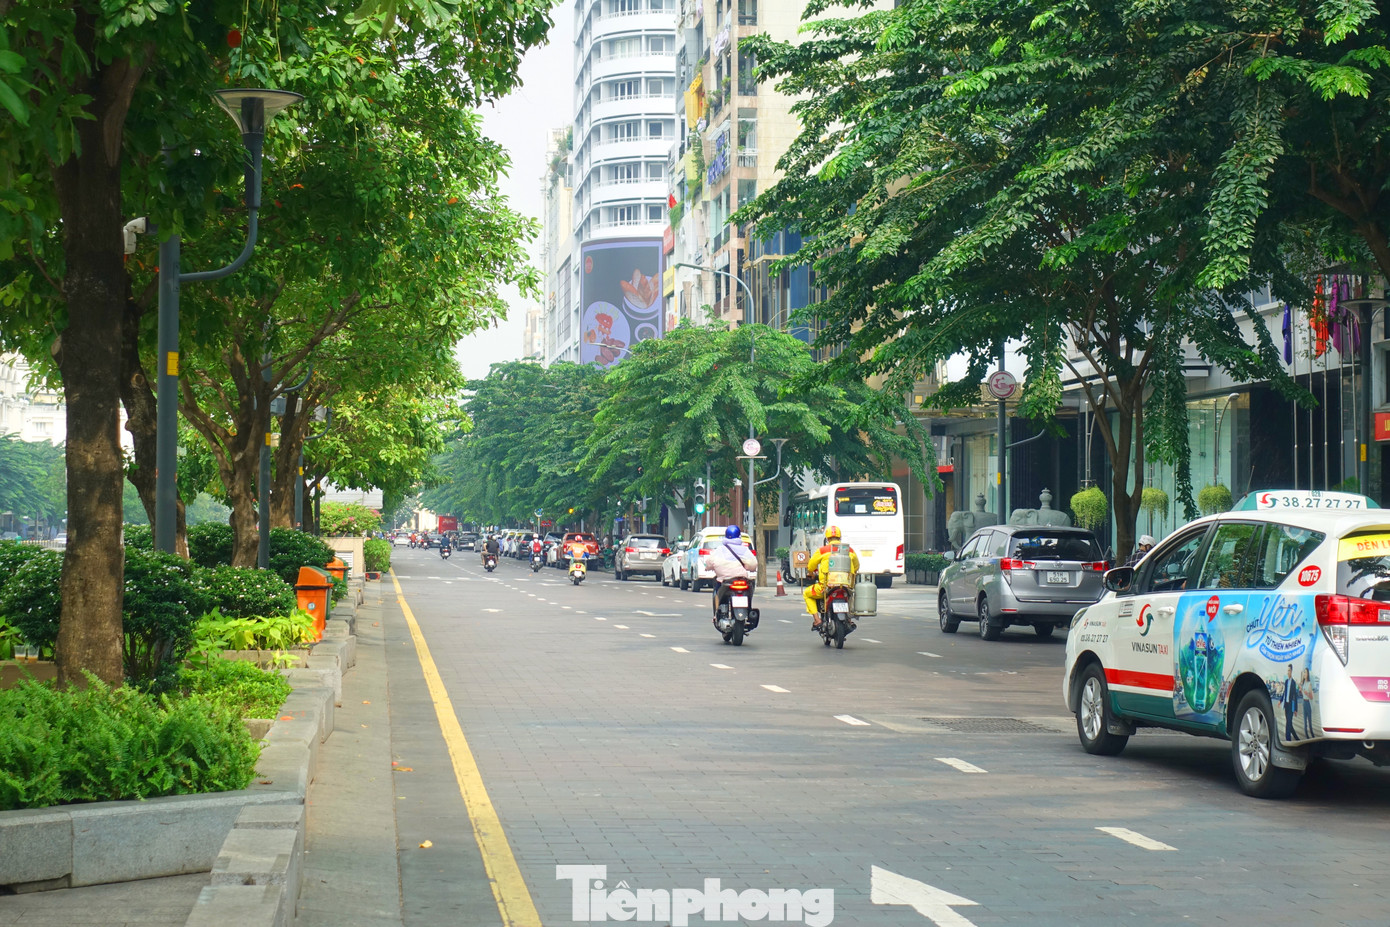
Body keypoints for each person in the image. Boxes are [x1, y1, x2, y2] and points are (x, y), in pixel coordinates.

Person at [803, 526, 859, 629]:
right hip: (846, 586)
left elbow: (811, 566)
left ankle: (817, 620)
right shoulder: (849, 550)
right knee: (851, 597)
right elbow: (856, 566)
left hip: (826, 587)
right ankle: (849, 619)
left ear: (827, 539)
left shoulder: (823, 550)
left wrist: (811, 573)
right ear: (840, 537)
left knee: (807, 593)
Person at [702, 525, 758, 618]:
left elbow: (709, 562)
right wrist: (749, 568)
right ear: (739, 536)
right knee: (750, 586)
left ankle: (716, 614)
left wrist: (708, 568)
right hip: (742, 579)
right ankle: (749, 609)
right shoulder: (744, 549)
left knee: (717, 591)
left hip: (725, 581)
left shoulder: (720, 549)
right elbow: (753, 564)